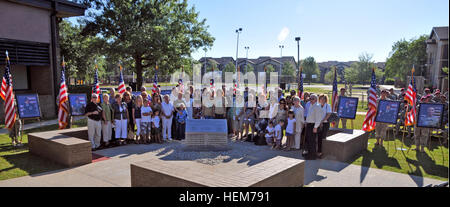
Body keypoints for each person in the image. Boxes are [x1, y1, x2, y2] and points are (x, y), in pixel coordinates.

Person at [304, 94, 322, 159]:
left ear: (316, 99)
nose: (311, 100)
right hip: (309, 124)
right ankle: (309, 153)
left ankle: (313, 155)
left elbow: (318, 118)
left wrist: (315, 127)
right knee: (309, 140)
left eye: (312, 99)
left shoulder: (317, 106)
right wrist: (306, 122)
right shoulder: (311, 105)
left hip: (313, 125)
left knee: (312, 141)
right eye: (310, 98)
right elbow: (309, 115)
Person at [317, 94, 331, 158]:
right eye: (321, 99)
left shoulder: (328, 106)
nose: (322, 100)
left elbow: (328, 114)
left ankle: (323, 152)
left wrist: (322, 121)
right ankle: (319, 152)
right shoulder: (318, 106)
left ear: (326, 100)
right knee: (319, 138)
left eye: (323, 99)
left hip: (325, 124)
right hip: (318, 123)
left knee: (323, 138)